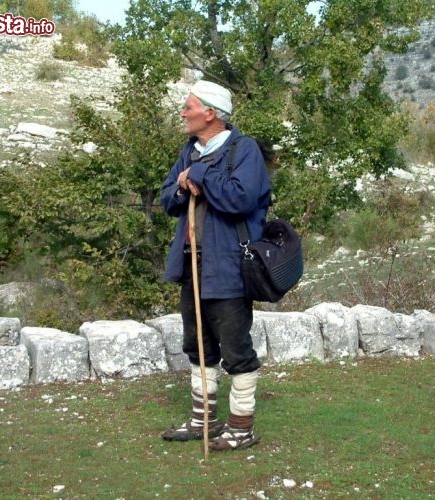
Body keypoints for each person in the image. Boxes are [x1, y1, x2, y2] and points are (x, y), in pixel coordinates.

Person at [160, 80, 271, 451]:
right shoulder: (189, 150)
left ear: (210, 113)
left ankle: (241, 427)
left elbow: (240, 199)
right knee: (198, 344)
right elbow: (167, 198)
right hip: (193, 263)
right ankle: (202, 419)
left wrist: (200, 175)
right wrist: (181, 187)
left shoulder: (244, 150)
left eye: (188, 107)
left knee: (236, 347)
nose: (183, 112)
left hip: (229, 267)